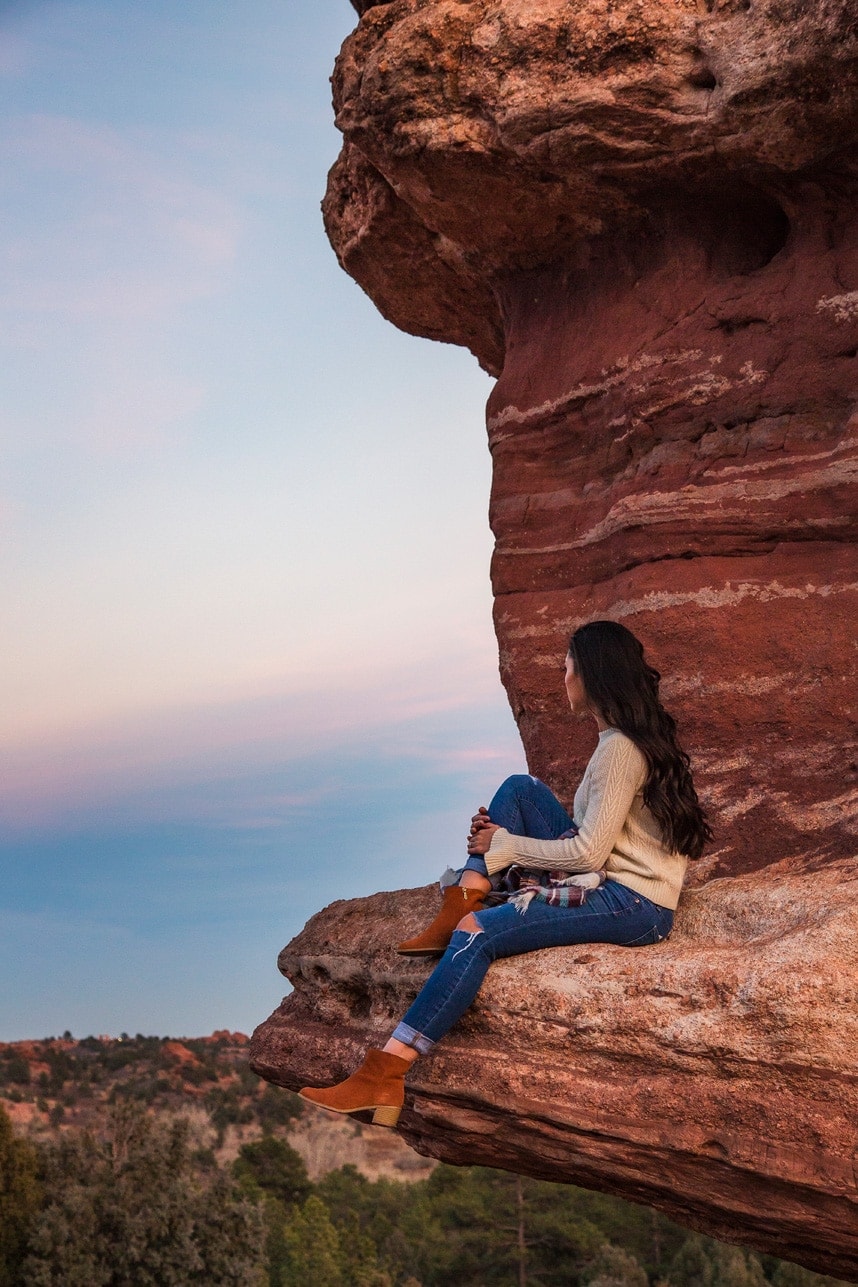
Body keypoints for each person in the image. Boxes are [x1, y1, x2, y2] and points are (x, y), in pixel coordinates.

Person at [299, 620, 712, 1127]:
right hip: (615, 885)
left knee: (478, 935)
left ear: (592, 674)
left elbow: (586, 856)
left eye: (567, 666)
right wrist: (500, 840)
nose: (562, 677)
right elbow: (591, 841)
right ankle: (464, 897)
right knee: (520, 789)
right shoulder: (619, 742)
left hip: (634, 904)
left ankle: (384, 1074)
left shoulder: (619, 751)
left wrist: (505, 845)